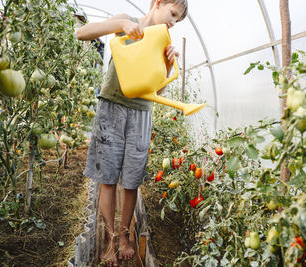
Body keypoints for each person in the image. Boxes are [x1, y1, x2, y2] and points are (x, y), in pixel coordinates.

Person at [75, 0, 188, 266]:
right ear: (157, 3)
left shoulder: (163, 41)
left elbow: (157, 91)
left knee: (131, 179)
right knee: (108, 177)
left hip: (141, 113)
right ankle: (110, 240)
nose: (173, 22)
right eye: (172, 14)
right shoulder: (126, 21)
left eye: (178, 20)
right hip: (111, 107)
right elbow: (82, 33)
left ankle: (125, 236)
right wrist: (122, 25)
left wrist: (169, 65)